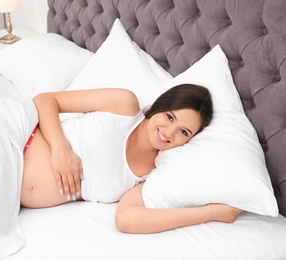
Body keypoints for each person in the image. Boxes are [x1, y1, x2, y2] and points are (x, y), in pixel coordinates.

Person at [20, 84, 243, 233]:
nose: (169, 132)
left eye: (184, 132)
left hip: (11, 199)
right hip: (13, 145)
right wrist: (61, 148)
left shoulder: (151, 173)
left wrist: (210, 213)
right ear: (160, 106)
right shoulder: (124, 105)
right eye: (169, 117)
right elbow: (45, 99)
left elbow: (126, 220)